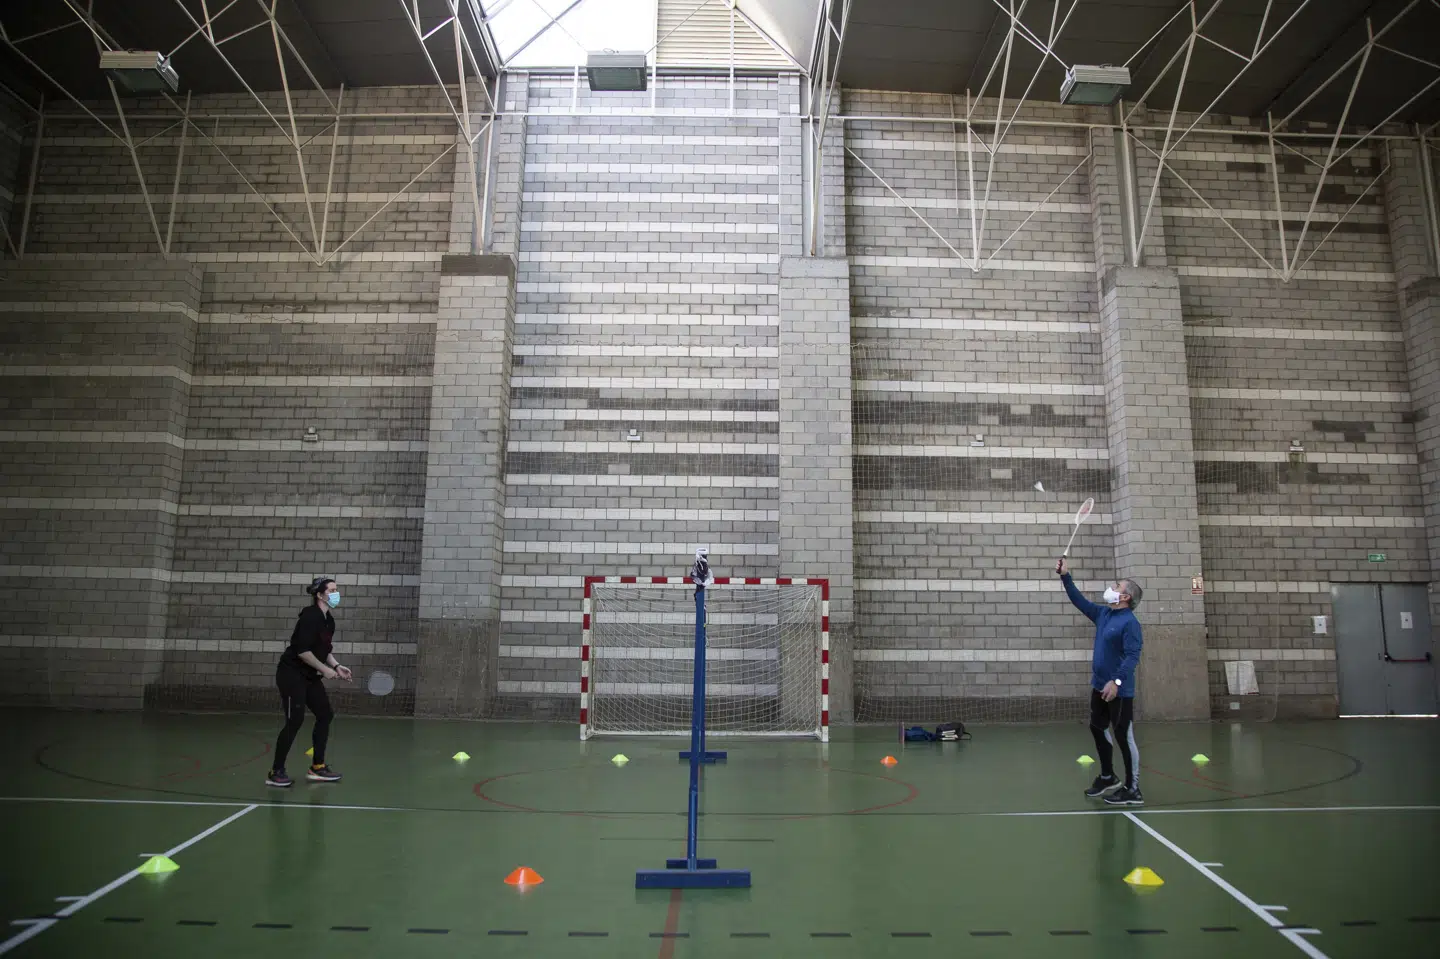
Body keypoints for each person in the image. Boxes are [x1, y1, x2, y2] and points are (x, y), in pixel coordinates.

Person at [1055, 558, 1144, 806]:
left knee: (1123, 736)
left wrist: (1116, 682)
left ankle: (1133, 788)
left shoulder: (1130, 624)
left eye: (1117, 586)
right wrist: (1066, 576)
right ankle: (1107, 777)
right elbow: (1079, 601)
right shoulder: (1104, 614)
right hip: (1099, 686)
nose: (1112, 588)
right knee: (1097, 727)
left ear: (1125, 597)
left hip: (1119, 691)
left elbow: (1132, 656)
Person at [265, 577, 352, 787]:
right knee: (294, 721)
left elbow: (323, 650)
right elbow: (303, 651)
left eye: (336, 590)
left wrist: (337, 666)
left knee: (325, 714)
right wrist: (325, 670)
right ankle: (275, 771)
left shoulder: (328, 620)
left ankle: (318, 767)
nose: (335, 594)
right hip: (291, 674)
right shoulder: (309, 616)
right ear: (319, 595)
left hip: (310, 676)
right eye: (331, 590)